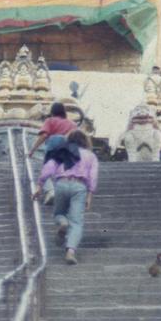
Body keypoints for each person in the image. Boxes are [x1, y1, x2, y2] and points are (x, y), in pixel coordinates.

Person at [33, 129, 99, 265]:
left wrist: (39, 186)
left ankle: (63, 223)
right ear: (85, 141)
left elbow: (48, 168)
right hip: (79, 187)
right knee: (76, 222)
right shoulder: (90, 156)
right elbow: (93, 176)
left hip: (61, 184)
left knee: (59, 213)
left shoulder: (62, 152)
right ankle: (70, 251)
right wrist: (90, 195)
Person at [28, 102, 77, 205]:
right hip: (67, 150)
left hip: (53, 149)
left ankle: (50, 191)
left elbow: (44, 135)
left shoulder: (50, 121)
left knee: (47, 170)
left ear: (52, 112)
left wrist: (32, 150)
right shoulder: (72, 124)